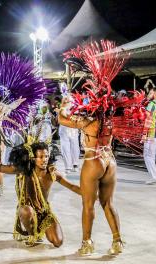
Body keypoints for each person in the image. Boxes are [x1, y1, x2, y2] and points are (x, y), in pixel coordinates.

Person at [58, 103, 124, 255]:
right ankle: (117, 241)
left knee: (88, 204)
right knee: (108, 203)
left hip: (94, 160)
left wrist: (63, 106)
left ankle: (87, 243)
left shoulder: (87, 121)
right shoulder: (110, 122)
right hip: (110, 161)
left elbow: (62, 119)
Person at [0, 142, 81, 247]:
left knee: (58, 242)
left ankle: (40, 228)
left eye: (46, 156)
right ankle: (31, 234)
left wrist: (90, 194)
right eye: (40, 157)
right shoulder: (24, 171)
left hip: (44, 212)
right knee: (26, 210)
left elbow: (72, 187)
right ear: (33, 158)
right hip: (28, 211)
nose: (44, 159)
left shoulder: (51, 173)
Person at [57, 97, 80, 173]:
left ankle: (75, 164)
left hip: (73, 130)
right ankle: (68, 167)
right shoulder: (62, 109)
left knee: (75, 147)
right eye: (65, 100)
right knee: (65, 148)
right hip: (64, 130)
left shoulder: (76, 109)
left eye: (69, 101)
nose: (67, 102)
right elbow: (63, 115)